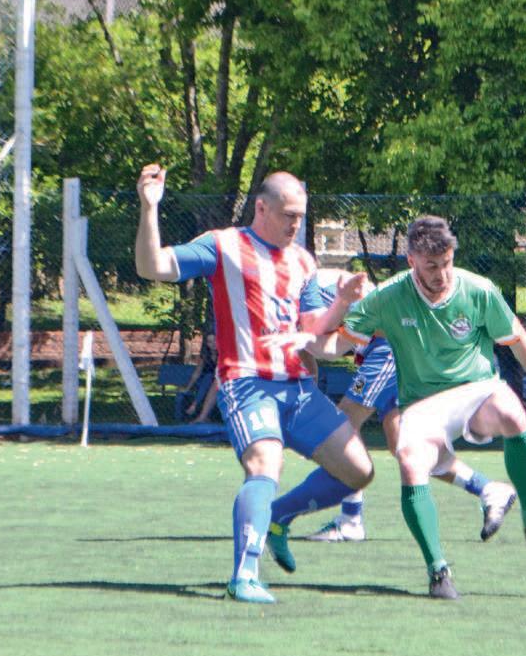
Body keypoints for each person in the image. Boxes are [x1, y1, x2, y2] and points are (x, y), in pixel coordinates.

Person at [134, 166, 373, 604]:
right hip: (247, 384)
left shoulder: (302, 260)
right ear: (261, 208)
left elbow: (313, 329)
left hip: (298, 388)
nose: (295, 225)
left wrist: (342, 301)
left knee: (359, 471)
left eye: (300, 216)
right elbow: (153, 266)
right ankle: (244, 575)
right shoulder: (223, 245)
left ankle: (277, 517)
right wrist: (150, 208)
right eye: (288, 215)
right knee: (265, 464)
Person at [321, 215, 526, 600]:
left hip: (476, 389)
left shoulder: (478, 290)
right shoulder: (388, 297)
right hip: (421, 405)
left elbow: (516, 338)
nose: (442, 274)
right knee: (409, 460)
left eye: (447, 263)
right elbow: (337, 344)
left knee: (511, 410)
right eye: (431, 266)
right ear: (412, 261)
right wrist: (303, 342)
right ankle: (438, 571)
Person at [288, 271, 518, 546]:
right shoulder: (298, 290)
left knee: (344, 424)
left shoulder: (305, 288)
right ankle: (489, 489)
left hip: (388, 347)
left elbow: (317, 341)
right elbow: (307, 353)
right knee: (402, 442)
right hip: (398, 345)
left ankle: (350, 521)